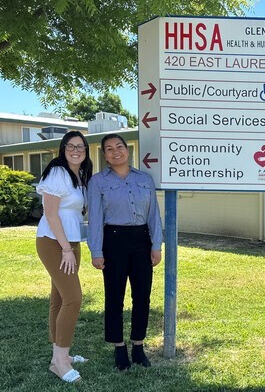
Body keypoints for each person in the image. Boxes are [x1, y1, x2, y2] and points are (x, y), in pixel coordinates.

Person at [87, 133, 163, 370]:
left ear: (127, 150)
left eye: (119, 146)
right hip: (114, 241)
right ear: (104, 155)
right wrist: (96, 251)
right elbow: (95, 218)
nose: (115, 151)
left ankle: (138, 347)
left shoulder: (145, 179)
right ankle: (119, 348)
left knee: (142, 295)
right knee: (114, 297)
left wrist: (156, 245)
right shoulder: (98, 181)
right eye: (109, 149)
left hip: (141, 240)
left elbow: (153, 215)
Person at [36, 131, 93, 383]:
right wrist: (66, 250)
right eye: (70, 146)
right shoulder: (58, 172)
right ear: (63, 148)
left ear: (85, 150)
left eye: (80, 146)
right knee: (73, 298)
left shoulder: (79, 174)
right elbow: (50, 214)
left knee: (59, 298)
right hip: (53, 241)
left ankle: (61, 354)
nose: (75, 150)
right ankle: (59, 362)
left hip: (70, 239)